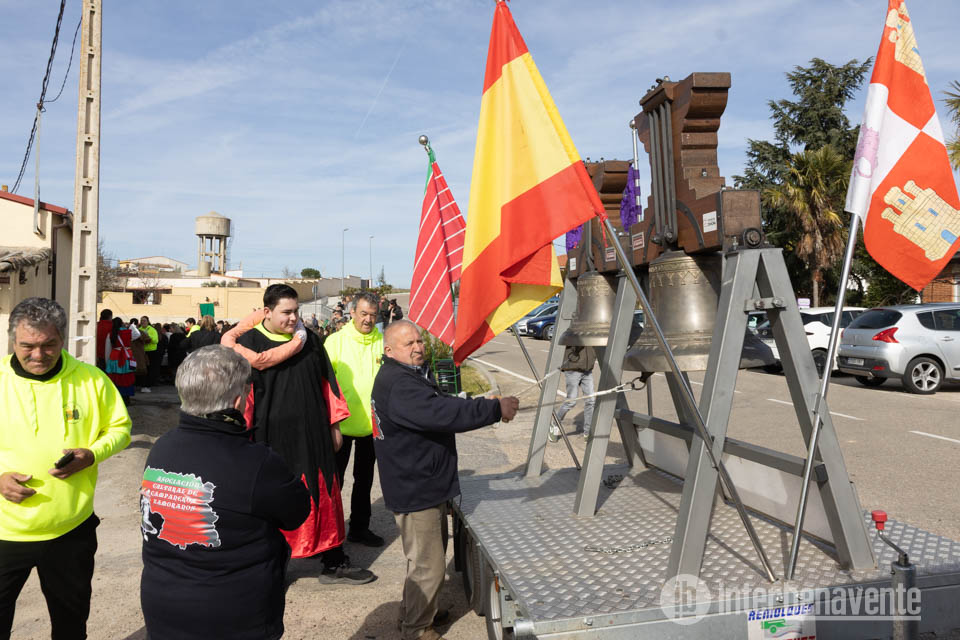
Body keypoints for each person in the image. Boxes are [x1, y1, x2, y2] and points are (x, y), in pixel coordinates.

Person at [140, 345, 310, 640]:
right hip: (234, 614)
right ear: (238, 400)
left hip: (162, 603)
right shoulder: (255, 461)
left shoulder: (162, 447)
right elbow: (296, 512)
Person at [371, 320, 519, 640]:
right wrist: (493, 409)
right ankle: (416, 629)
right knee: (429, 565)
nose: (418, 347)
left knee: (423, 559)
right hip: (416, 488)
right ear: (389, 350)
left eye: (419, 341)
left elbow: (442, 405)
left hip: (421, 483)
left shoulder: (405, 375)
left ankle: (418, 610)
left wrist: (486, 405)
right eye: (409, 344)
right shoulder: (400, 384)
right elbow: (443, 413)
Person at [0, 297, 131, 639]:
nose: (38, 355)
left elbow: (120, 429)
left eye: (48, 345)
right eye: (27, 346)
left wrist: (92, 454)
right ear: (12, 340)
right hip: (4, 533)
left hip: (71, 531)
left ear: (62, 339)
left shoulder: (91, 380)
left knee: (71, 627)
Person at [234, 284, 374, 585]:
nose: (293, 318)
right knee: (272, 501)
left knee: (324, 495)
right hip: (269, 439)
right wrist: (241, 442)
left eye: (296, 311)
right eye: (286, 312)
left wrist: (335, 427)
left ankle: (334, 560)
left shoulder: (309, 341)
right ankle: (272, 567)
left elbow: (328, 384)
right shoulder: (248, 344)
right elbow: (243, 398)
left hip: (313, 436)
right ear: (267, 312)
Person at [324, 292, 384, 548]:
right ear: (352, 313)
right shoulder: (335, 342)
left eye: (373, 315)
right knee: (333, 482)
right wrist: (330, 423)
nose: (368, 320)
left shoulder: (383, 342)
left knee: (364, 480)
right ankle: (328, 535)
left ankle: (359, 528)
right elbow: (324, 385)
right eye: (363, 314)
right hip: (340, 426)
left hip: (372, 426)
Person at [549, 345, 597, 442]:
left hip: (587, 369)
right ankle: (555, 424)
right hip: (573, 368)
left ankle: (588, 432)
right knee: (571, 402)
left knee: (591, 401)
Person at [105, 317, 138, 402]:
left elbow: (108, 349)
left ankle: (117, 397)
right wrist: (132, 326)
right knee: (127, 377)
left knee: (116, 377)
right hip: (127, 356)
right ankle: (127, 398)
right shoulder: (128, 332)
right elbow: (137, 334)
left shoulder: (111, 334)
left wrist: (107, 361)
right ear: (121, 323)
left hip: (115, 357)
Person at [140, 315, 159, 392]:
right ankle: (143, 384)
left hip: (151, 352)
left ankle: (148, 385)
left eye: (144, 320)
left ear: (148, 321)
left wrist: (148, 336)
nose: (142, 322)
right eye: (141, 320)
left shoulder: (152, 330)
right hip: (142, 352)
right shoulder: (139, 329)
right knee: (143, 369)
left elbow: (156, 340)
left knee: (150, 369)